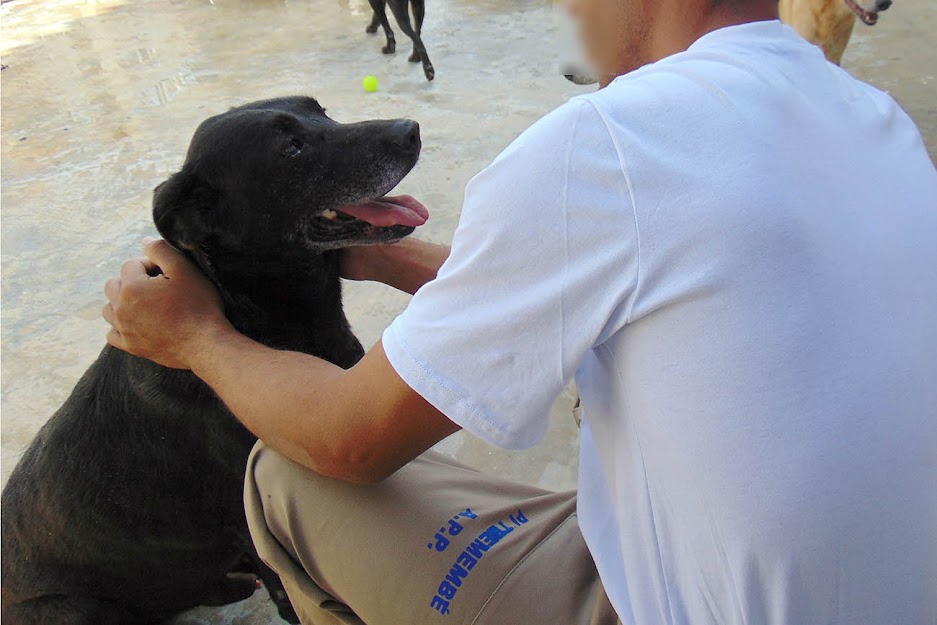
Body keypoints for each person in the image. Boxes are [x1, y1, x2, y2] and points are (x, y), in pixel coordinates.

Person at [102, 0, 937, 623]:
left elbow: (345, 439)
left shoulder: (605, 145)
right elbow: (618, 280)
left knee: (286, 470)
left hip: (675, 604)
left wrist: (192, 334)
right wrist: (396, 258)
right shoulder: (869, 115)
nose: (571, 13)